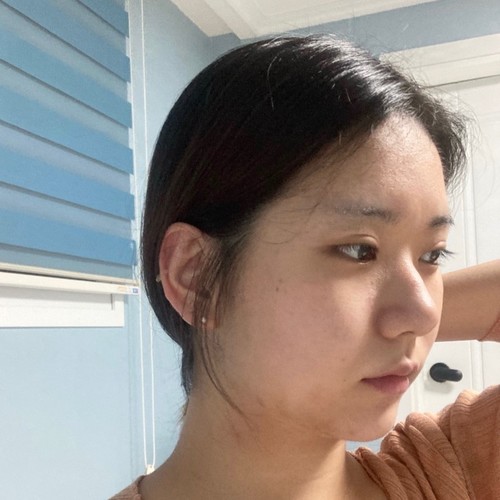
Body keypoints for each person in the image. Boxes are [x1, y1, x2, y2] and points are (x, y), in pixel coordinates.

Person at [112, 35, 500, 499]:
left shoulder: (456, 471)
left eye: (431, 255)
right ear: (194, 277)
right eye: (358, 250)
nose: (424, 312)